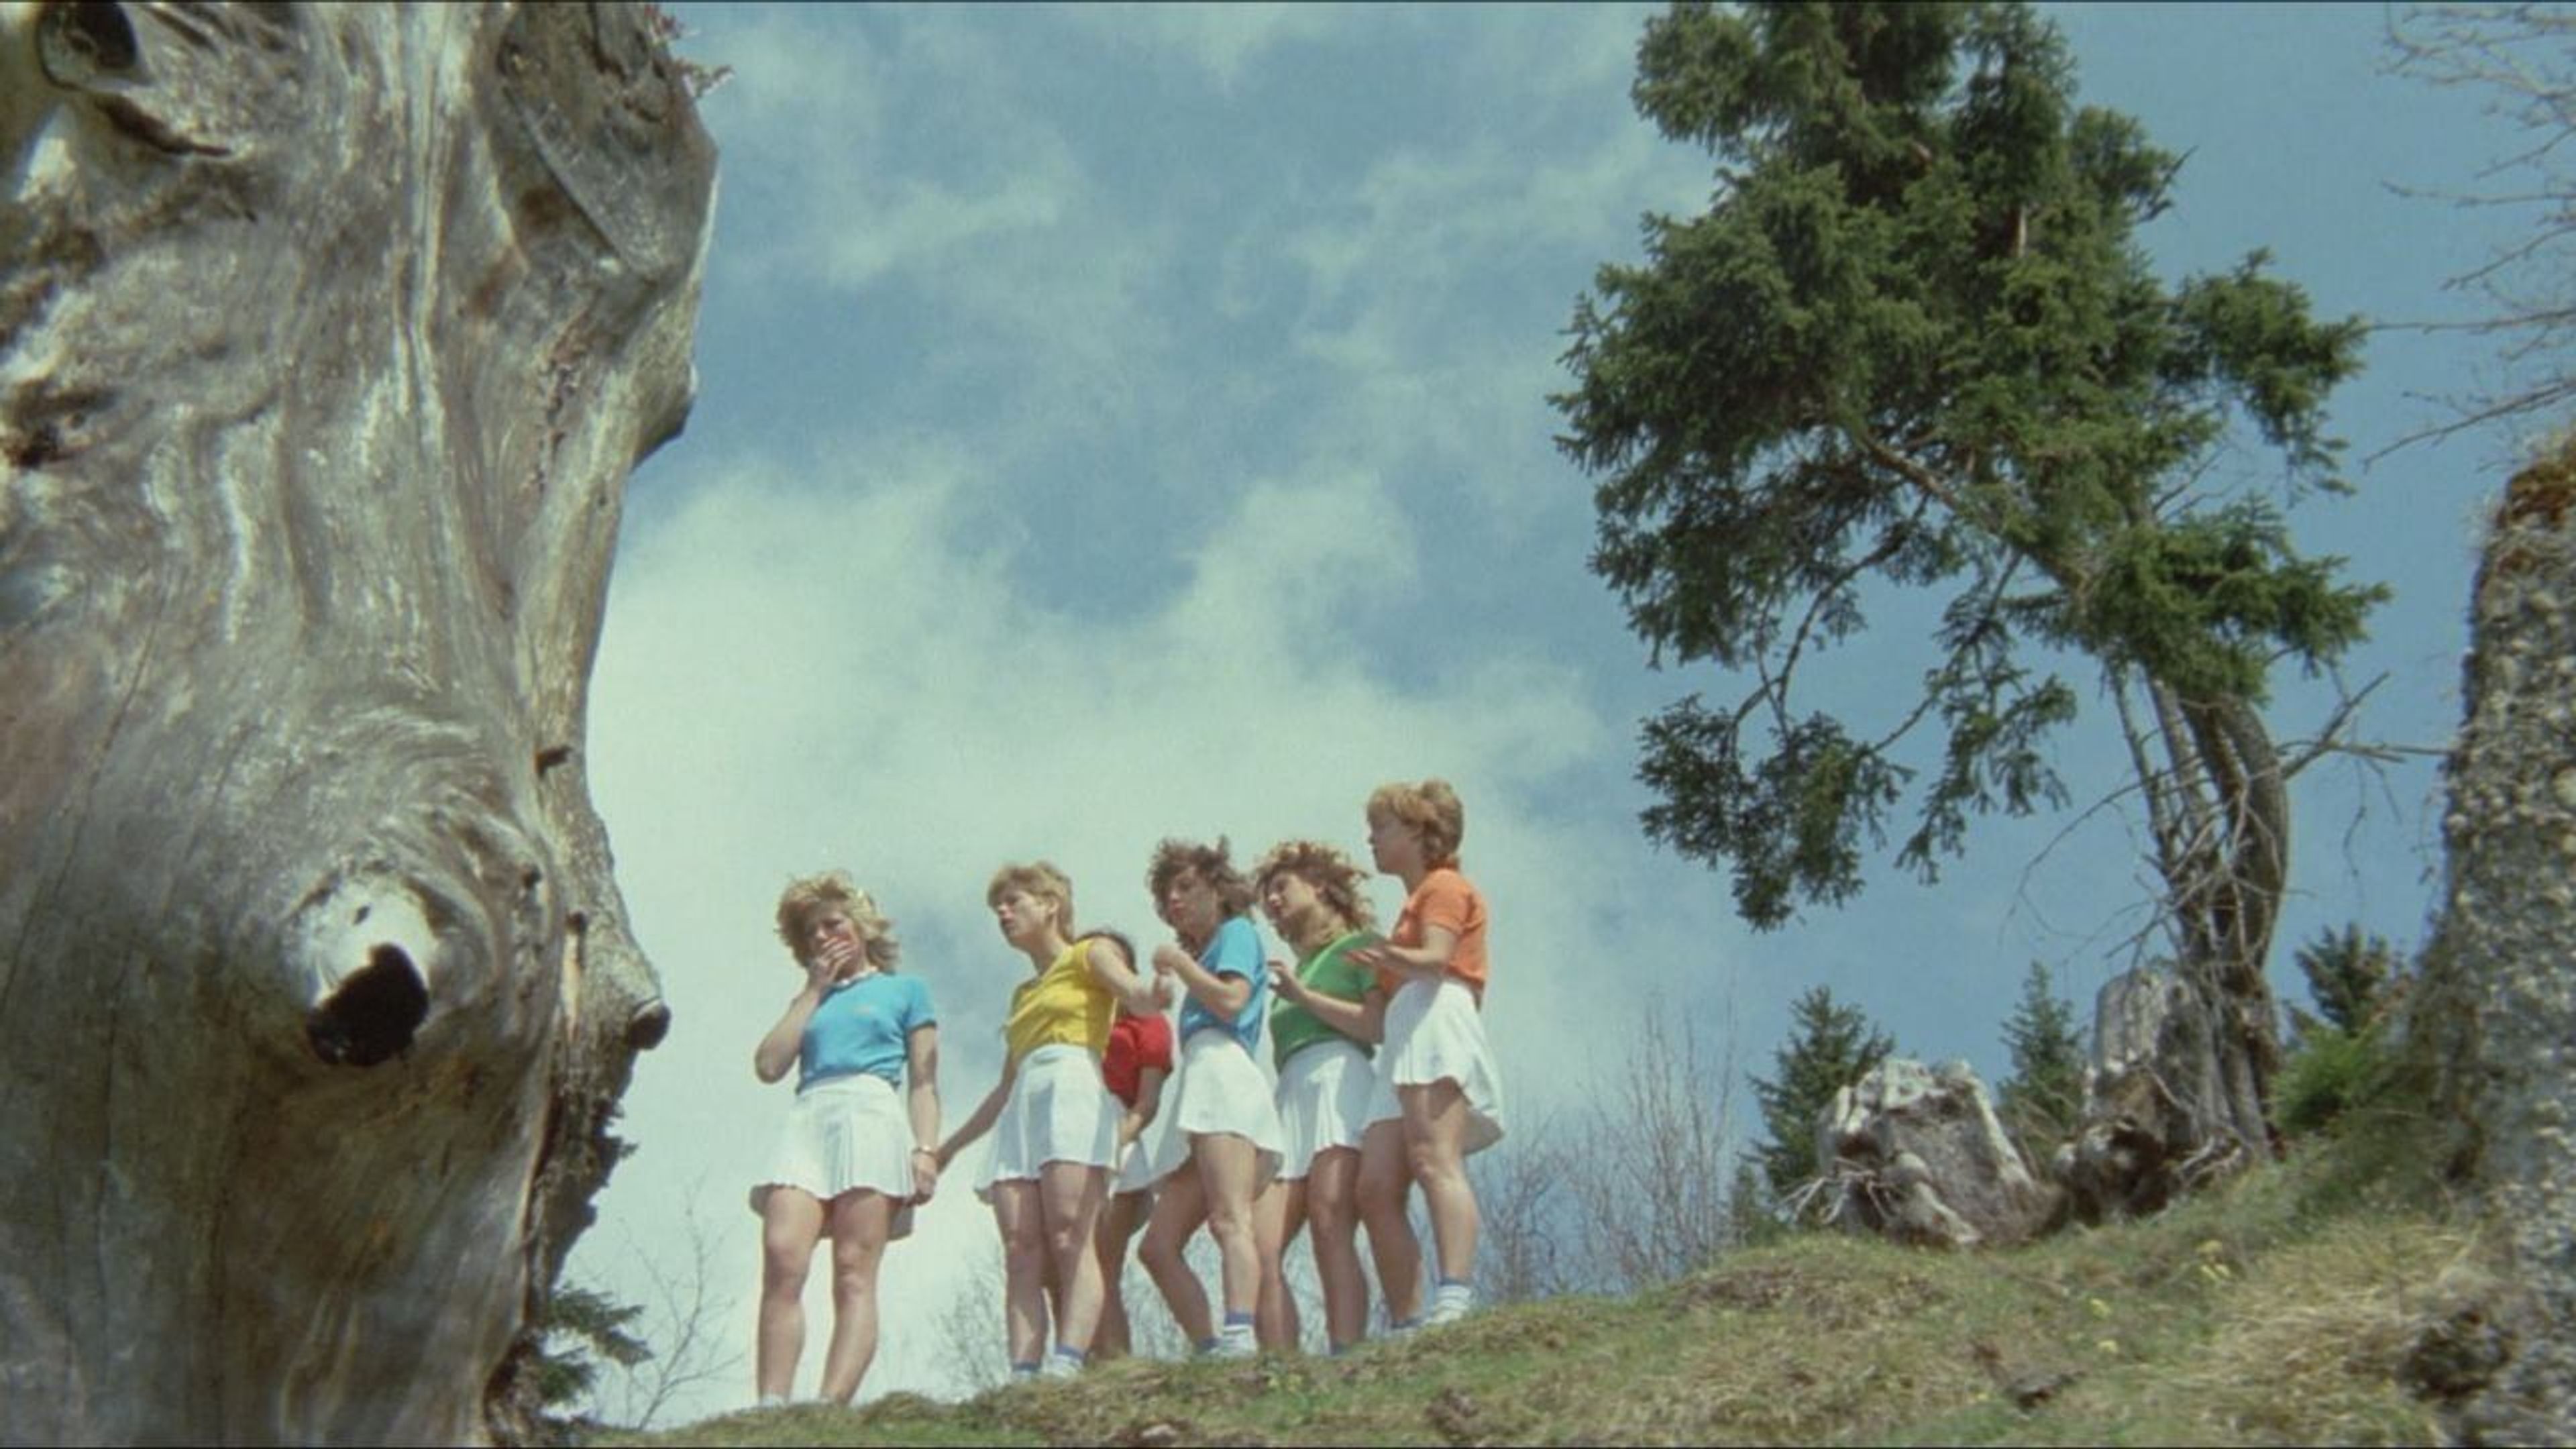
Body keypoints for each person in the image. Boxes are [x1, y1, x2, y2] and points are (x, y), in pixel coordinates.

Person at [936, 861, 1165, 1380]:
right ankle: (1022, 1371)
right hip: (1025, 1108)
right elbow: (1004, 1087)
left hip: (1072, 1090)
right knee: (1020, 1249)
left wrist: (1157, 993)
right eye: (999, 905)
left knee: (1069, 1235)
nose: (1003, 912)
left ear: (1051, 905)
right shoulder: (1022, 996)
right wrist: (950, 1147)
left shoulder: (1090, 953)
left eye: (1015, 901)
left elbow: (1136, 995)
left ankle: (1067, 1359)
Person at [749, 871, 941, 1407]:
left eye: (832, 924)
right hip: (811, 1112)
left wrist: (926, 1151)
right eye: (811, 933)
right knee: (783, 1253)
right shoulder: (810, 999)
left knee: (854, 1270)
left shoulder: (905, 990)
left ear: (861, 926)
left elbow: (925, 1082)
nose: (822, 938)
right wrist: (812, 992)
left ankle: (830, 1406)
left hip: (871, 1111)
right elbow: (769, 1065)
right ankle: (771, 1403)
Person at [1348, 780, 1505, 1330]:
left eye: (1382, 828)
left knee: (1435, 1157)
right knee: (1375, 1186)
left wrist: (1387, 954)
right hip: (1404, 1029)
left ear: (1418, 831)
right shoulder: (1410, 906)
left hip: (1437, 1014)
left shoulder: (1444, 887)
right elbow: (1375, 1015)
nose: (1371, 839)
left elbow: (1436, 960)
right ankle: (1408, 1318)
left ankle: (1454, 1295)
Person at [1135, 837, 1289, 1358]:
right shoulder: (1207, 952)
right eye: (1167, 894)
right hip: (1198, 1086)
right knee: (1157, 1247)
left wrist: (1180, 964)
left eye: (1186, 887)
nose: (1174, 901)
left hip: (1224, 1078)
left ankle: (1240, 1333)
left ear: (1218, 891)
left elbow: (1232, 1000)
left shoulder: (1238, 933)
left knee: (1229, 1217)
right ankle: (1210, 1346)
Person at [1256, 838, 1408, 1355]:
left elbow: (1376, 1025)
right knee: (1261, 1243)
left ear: (1319, 886)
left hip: (1338, 1078)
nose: (1272, 902)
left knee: (1329, 1219)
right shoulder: (1299, 967)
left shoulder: (1359, 946)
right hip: (1290, 1092)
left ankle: (1346, 1349)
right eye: (1266, 896)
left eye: (1281, 887)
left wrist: (1303, 997)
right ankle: (1279, 1363)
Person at [1089, 979, 1174, 1362]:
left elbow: (1147, 1102)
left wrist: (1116, 1144)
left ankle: (1114, 1365)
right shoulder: (1079, 1016)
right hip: (1065, 1132)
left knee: (1102, 1266)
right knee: (1058, 1270)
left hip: (1114, 1133)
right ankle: (1079, 1363)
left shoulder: (1147, 1023)